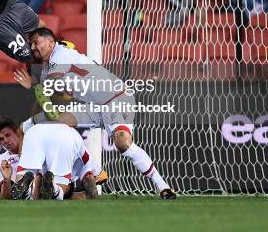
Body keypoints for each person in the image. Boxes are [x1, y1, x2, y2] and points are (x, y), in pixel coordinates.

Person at [13, 27, 177, 199]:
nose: (33, 48)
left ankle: (163, 186)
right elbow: (57, 97)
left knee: (123, 144)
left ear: (50, 42)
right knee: (56, 125)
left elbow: (52, 90)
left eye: (36, 43)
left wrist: (33, 85)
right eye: (31, 45)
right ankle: (96, 171)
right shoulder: (48, 68)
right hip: (95, 105)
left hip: (116, 98)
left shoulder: (61, 55)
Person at [0, 116, 103, 200]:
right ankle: (52, 190)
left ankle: (32, 191)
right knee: (61, 184)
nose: (5, 141)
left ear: (18, 133)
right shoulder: (3, 159)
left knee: (40, 175)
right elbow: (5, 197)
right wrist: (7, 179)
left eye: (7, 135)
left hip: (45, 179)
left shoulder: (35, 140)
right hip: (56, 179)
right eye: (1, 139)